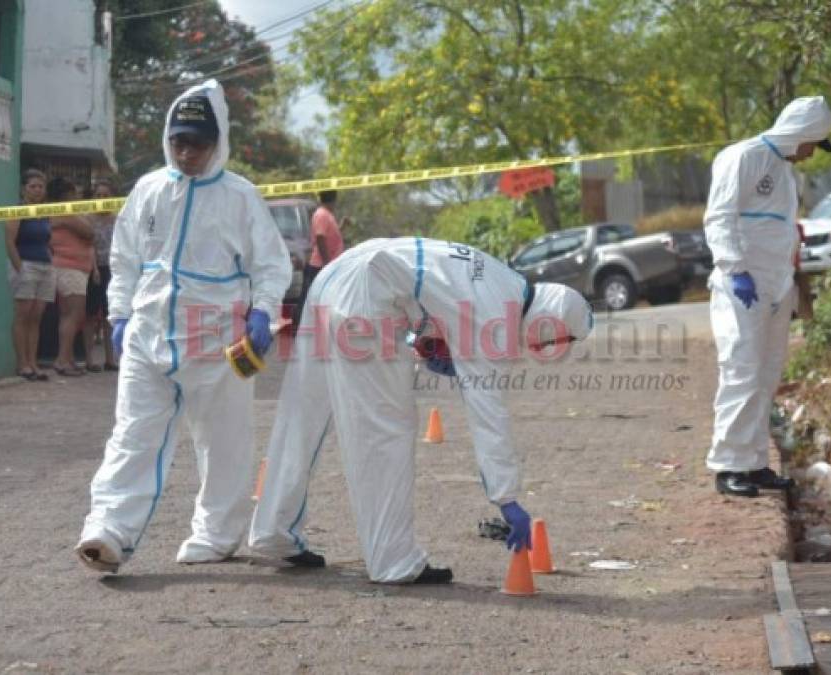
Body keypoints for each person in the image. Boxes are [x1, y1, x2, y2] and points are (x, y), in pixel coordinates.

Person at [249, 237, 593, 583]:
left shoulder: (502, 281)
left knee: (302, 414)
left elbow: (430, 292)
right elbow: (489, 415)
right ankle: (393, 561)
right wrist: (507, 499)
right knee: (386, 429)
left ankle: (274, 533)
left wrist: (425, 342)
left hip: (337, 276)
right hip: (366, 295)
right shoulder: (499, 318)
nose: (543, 348)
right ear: (550, 324)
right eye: (553, 341)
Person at [75, 79, 292, 573]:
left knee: (223, 441)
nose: (187, 152)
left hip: (218, 341)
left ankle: (215, 535)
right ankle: (108, 528)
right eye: (178, 141)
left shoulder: (241, 197)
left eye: (197, 142)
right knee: (133, 434)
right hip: (148, 336)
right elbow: (125, 258)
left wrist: (262, 310)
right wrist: (120, 314)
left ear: (219, 143)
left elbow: (271, 264)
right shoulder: (149, 190)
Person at [704, 96, 831, 497]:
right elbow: (719, 216)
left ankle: (754, 462)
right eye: (814, 144)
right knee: (741, 371)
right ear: (803, 135)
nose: (812, 153)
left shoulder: (783, 172)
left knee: (766, 375)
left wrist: (790, 284)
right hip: (741, 286)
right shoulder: (743, 158)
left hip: (776, 286)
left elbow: (778, 230)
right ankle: (728, 466)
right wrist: (734, 269)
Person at [3, 169, 55, 381]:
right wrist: (20, 269)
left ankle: (33, 363)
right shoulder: (17, 210)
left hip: (45, 266)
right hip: (25, 265)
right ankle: (22, 364)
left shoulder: (44, 211)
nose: (37, 190)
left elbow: (47, 239)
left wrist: (51, 259)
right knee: (22, 316)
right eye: (33, 186)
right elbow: (9, 242)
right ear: (24, 188)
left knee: (36, 317)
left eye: (41, 186)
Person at [48, 176, 96, 377]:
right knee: (73, 314)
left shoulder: (65, 212)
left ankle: (66, 358)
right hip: (69, 267)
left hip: (75, 268)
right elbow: (89, 231)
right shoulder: (64, 211)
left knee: (70, 314)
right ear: (66, 195)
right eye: (74, 194)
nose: (78, 197)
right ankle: (62, 360)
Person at [293, 190, 344, 328]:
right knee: (308, 299)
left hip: (324, 264)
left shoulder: (326, 215)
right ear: (334, 198)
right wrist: (328, 264)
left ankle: (317, 325)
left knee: (318, 297)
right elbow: (320, 237)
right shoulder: (322, 214)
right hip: (319, 265)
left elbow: (327, 237)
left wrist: (341, 228)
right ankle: (298, 328)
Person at [83, 178, 118, 371]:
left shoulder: (118, 218)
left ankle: (110, 359)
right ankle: (89, 359)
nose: (102, 199)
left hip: (113, 269)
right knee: (90, 314)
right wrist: (94, 268)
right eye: (98, 195)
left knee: (109, 315)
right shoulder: (87, 218)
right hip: (93, 268)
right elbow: (89, 245)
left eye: (106, 195)